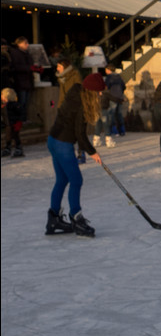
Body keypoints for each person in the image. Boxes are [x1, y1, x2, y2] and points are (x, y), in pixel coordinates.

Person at [46, 72, 104, 237]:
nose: (100, 95)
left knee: (62, 180)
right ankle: (76, 219)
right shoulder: (81, 104)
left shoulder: (75, 93)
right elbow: (80, 134)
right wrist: (93, 152)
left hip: (53, 140)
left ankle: (53, 219)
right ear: (92, 92)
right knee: (76, 180)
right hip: (62, 144)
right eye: (99, 92)